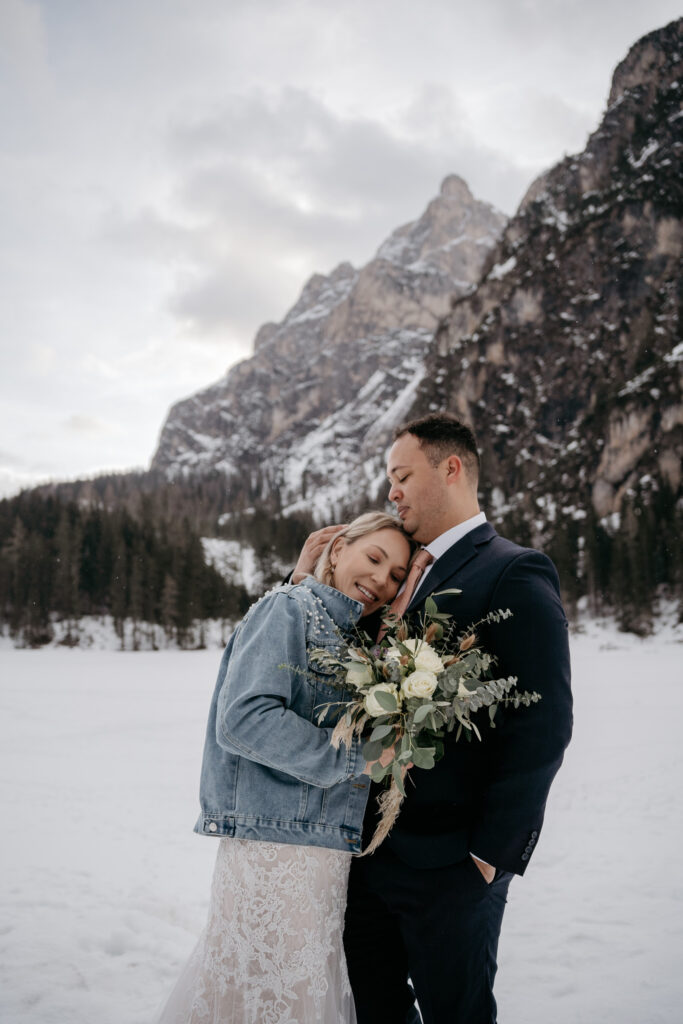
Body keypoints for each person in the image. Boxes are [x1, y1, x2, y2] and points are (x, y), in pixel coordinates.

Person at [293, 413, 573, 1024]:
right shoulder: (392, 572)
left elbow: (543, 728)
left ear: (450, 470)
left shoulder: (512, 569)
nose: (390, 491)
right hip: (365, 856)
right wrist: (303, 580)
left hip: (453, 868)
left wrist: (490, 857)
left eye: (401, 475)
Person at [154, 512, 413, 1024]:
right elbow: (244, 719)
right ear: (337, 549)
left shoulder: (346, 633)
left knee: (292, 994)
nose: (382, 580)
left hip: (320, 849)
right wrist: (353, 756)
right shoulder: (288, 609)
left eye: (397, 575)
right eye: (375, 558)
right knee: (265, 992)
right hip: (276, 850)